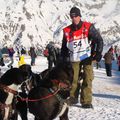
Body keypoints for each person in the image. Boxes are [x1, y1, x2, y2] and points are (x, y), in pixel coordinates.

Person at [61, 6, 103, 108]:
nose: (74, 18)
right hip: (74, 58)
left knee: (88, 78)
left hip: (86, 56)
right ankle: (72, 98)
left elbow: (99, 40)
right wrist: (63, 58)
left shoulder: (88, 27)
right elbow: (64, 47)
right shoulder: (66, 30)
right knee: (73, 79)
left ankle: (86, 101)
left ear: (80, 16)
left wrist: (98, 53)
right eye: (72, 16)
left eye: (76, 16)